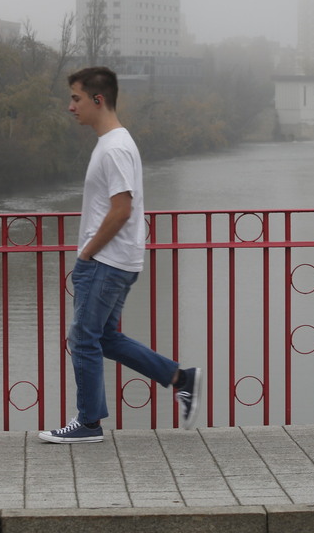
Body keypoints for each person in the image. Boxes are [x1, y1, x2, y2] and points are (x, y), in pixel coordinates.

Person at [39, 66, 202, 444]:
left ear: (98, 100)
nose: (70, 107)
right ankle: (181, 378)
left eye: (76, 98)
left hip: (105, 262)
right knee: (104, 338)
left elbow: (121, 209)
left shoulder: (114, 149)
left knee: (82, 339)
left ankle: (88, 423)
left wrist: (85, 254)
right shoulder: (115, 143)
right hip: (117, 261)